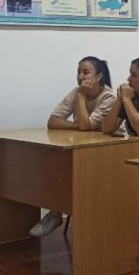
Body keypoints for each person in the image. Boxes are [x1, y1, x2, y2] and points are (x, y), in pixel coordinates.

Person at [29, 57, 116, 238]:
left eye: (86, 72)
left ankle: (61, 213)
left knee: (70, 170)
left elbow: (86, 125)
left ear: (99, 76)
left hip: (108, 154)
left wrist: (82, 98)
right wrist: (79, 125)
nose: (80, 77)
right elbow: (53, 121)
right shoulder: (76, 92)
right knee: (54, 164)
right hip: (83, 149)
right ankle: (55, 213)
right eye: (78, 72)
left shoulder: (108, 97)